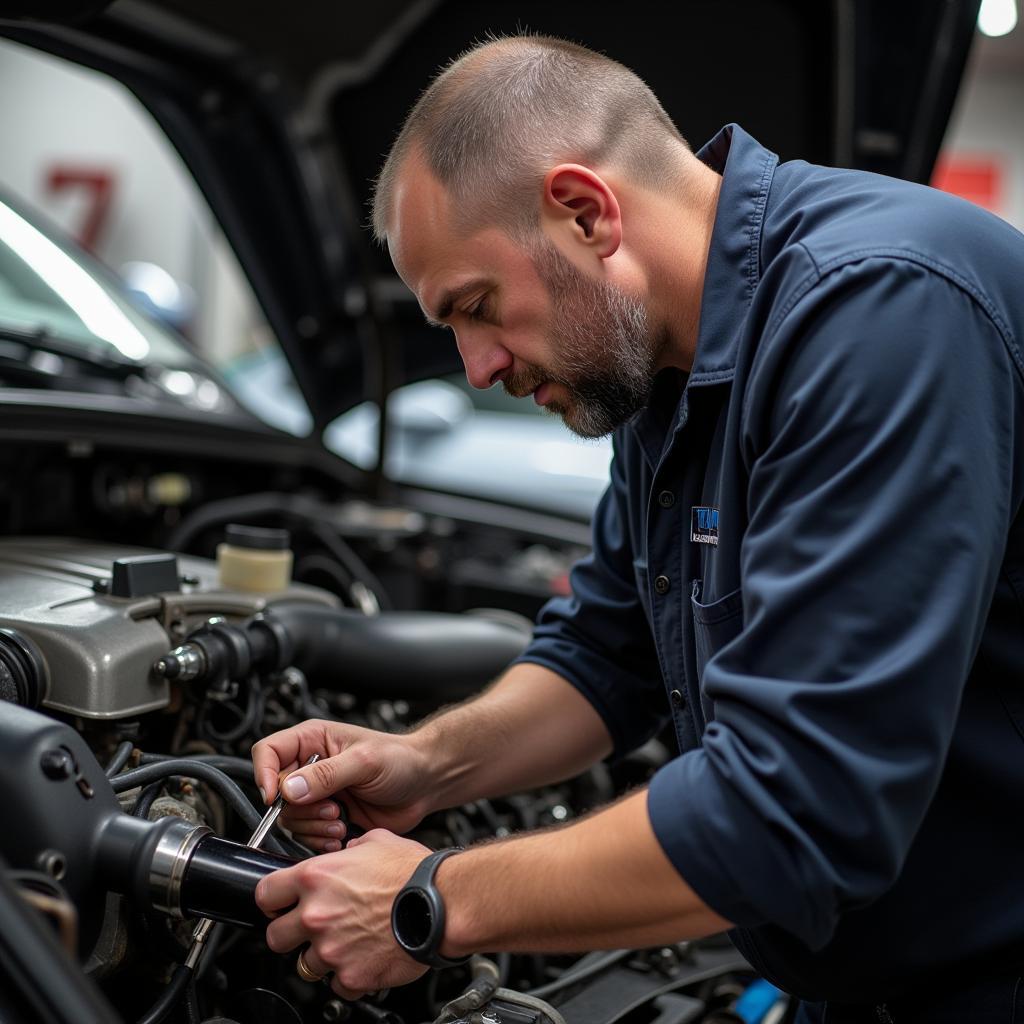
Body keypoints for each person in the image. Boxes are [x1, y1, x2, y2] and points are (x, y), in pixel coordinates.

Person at [251, 34, 1024, 1023]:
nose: (476, 366)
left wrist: (430, 901)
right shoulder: (663, 354)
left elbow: (791, 812)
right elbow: (607, 652)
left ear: (584, 212)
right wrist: (425, 764)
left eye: (477, 307)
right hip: (869, 967)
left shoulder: (881, 311)